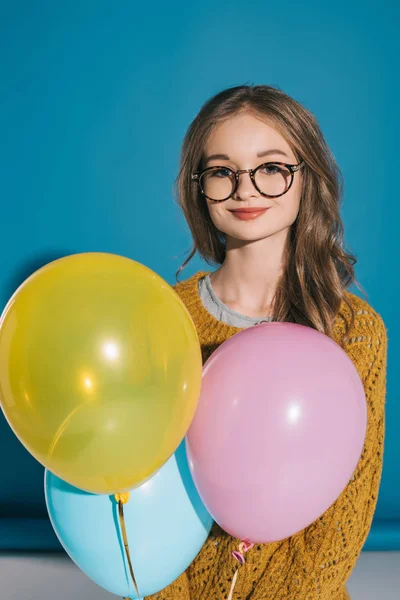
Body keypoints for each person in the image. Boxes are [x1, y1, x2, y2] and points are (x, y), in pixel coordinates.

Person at [147, 84, 388, 600]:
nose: (245, 189)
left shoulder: (354, 332)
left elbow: (342, 520)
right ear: (199, 187)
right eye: (221, 171)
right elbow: (142, 492)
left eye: (271, 167)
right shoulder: (160, 320)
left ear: (308, 179)